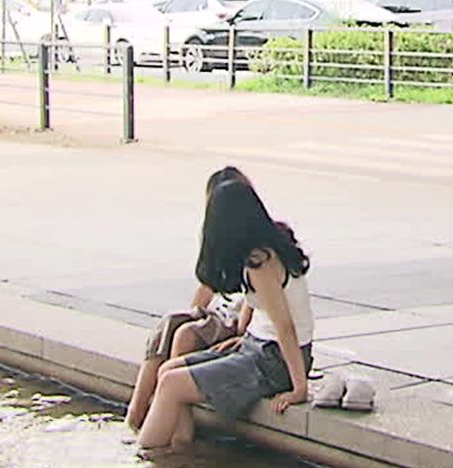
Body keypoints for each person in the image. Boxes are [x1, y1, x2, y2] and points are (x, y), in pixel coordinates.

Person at [138, 167, 315, 452]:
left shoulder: (260, 262)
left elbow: (286, 326)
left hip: (275, 360)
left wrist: (299, 388)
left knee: (171, 384)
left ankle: (145, 459)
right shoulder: (268, 244)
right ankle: (179, 446)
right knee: (168, 370)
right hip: (260, 347)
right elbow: (267, 312)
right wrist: (246, 338)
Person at [125, 286, 245, 430]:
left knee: (185, 334)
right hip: (215, 312)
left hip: (233, 321)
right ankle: (134, 415)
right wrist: (194, 314)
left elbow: (249, 312)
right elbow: (206, 284)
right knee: (170, 320)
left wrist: (243, 336)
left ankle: (171, 426)